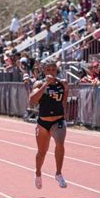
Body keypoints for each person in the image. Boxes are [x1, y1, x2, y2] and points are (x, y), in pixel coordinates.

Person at [29, 60, 69, 189]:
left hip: (58, 120)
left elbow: (64, 101)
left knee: (60, 143)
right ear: (44, 71)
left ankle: (58, 173)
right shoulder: (39, 83)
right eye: (48, 70)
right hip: (43, 122)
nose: (51, 72)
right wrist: (46, 84)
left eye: (53, 70)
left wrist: (64, 117)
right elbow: (32, 101)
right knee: (42, 151)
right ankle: (38, 172)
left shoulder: (62, 84)